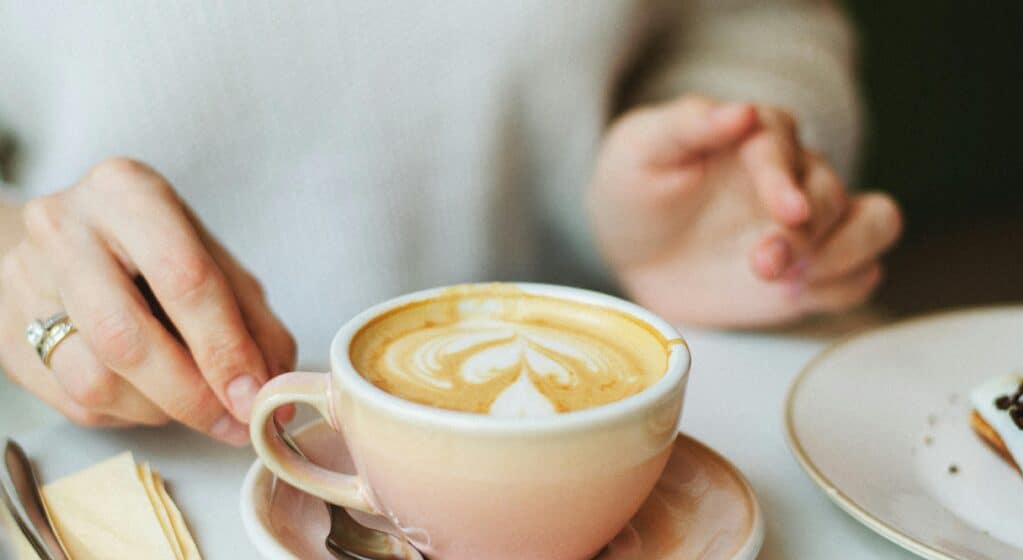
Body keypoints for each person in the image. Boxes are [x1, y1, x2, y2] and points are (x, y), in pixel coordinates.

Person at [0, 1, 901, 445]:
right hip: (134, 459)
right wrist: (12, 255)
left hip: (631, 413)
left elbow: (759, 17)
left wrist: (739, 142)